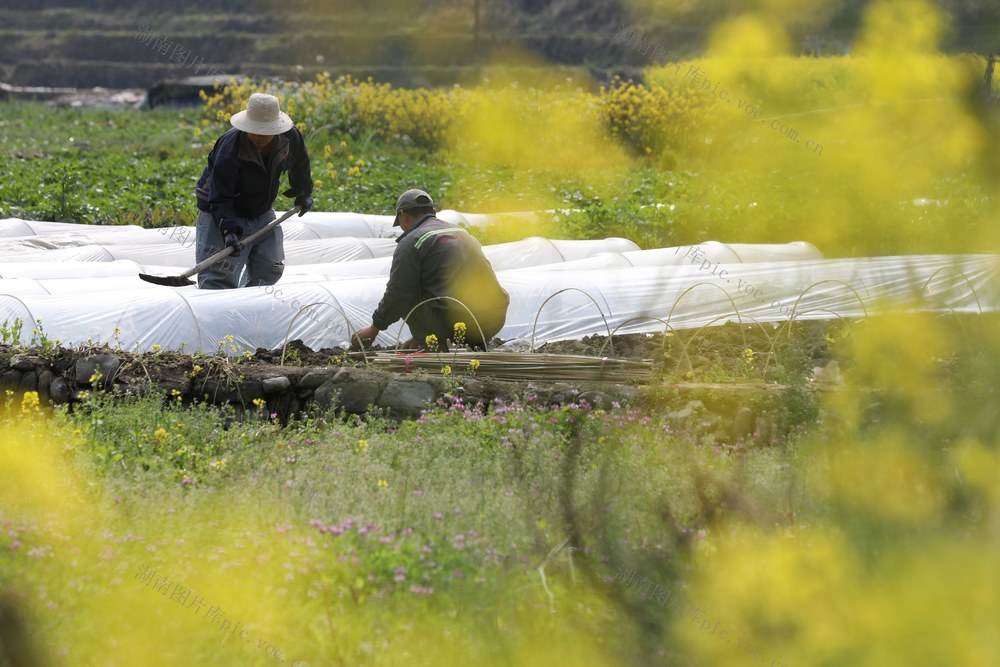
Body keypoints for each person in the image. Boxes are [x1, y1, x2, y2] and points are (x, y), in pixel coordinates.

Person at [351, 189, 509, 351]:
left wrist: (374, 328)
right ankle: (477, 346)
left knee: (408, 295)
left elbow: (398, 294)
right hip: (494, 318)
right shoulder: (461, 232)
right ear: (433, 211)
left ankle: (432, 349)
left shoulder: (412, 241)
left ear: (403, 215)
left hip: (460, 323)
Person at [194, 92, 313, 289]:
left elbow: (300, 163)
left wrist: (304, 191)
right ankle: (218, 316)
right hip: (220, 209)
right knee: (219, 276)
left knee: (269, 266)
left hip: (260, 209)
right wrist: (228, 230)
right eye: (254, 130)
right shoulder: (230, 149)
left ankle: (249, 311)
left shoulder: (289, 138)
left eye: (265, 131)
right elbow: (220, 197)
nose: (258, 136)